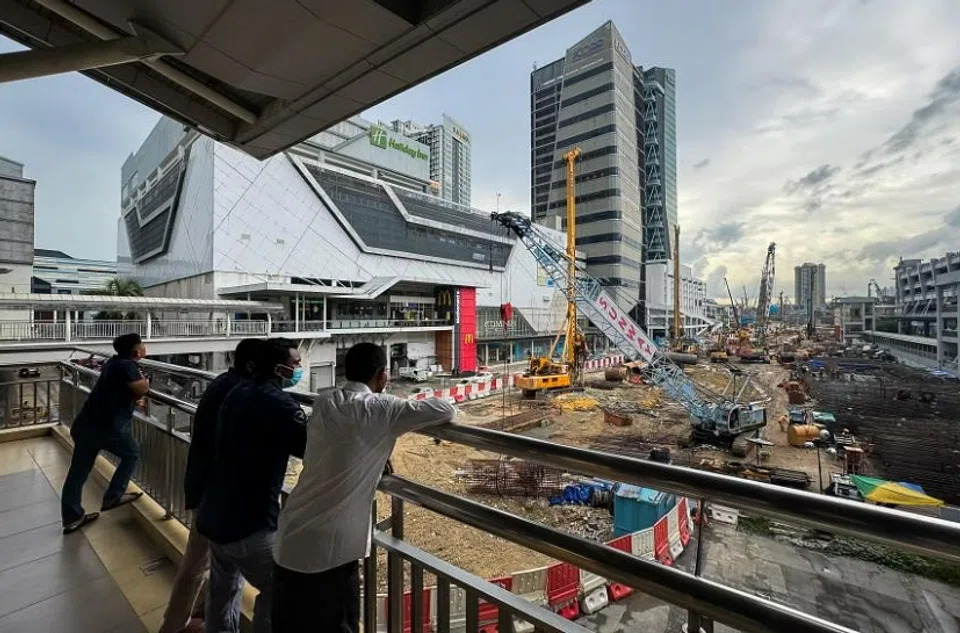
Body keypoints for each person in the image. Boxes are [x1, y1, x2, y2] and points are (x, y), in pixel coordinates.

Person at [272, 342, 456, 633]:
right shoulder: (382, 408)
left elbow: (342, 446)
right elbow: (444, 409)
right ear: (382, 374)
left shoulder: (324, 402)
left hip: (288, 540)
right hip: (328, 557)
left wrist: (375, 455)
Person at [196, 338, 307, 633]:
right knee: (281, 591)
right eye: (295, 364)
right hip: (249, 524)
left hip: (214, 515)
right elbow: (311, 447)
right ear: (280, 368)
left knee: (222, 589)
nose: (299, 369)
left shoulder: (237, 391)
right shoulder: (281, 404)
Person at [160, 338, 264, 633]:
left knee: (215, 566)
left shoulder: (224, 384)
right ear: (255, 365)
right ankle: (175, 625)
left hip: (210, 489)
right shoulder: (239, 393)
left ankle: (195, 619)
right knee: (199, 564)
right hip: (216, 494)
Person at [61, 332, 149, 533]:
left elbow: (121, 390)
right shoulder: (126, 365)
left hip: (85, 424)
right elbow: (143, 387)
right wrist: (142, 385)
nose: (145, 348)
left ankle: (71, 517)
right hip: (106, 428)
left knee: (77, 473)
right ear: (136, 350)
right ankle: (113, 496)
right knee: (132, 453)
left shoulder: (114, 363)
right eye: (142, 345)